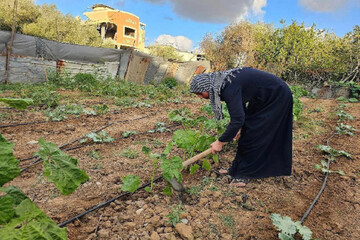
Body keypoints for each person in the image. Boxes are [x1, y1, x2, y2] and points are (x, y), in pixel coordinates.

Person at [190, 67, 293, 187]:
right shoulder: (224, 82)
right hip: (262, 98)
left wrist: (220, 141)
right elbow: (241, 104)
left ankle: (243, 175)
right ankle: (236, 170)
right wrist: (240, 126)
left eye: (199, 93)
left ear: (207, 87)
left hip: (277, 96)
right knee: (247, 130)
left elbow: (237, 119)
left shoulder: (228, 87)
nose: (200, 97)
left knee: (254, 134)